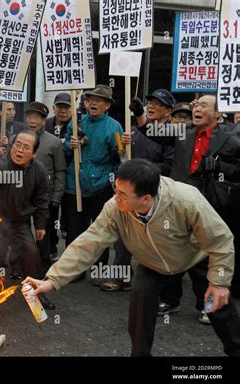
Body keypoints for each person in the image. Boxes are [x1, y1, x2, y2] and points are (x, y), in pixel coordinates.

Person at [24, 159, 240, 356]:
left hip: (193, 256)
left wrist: (219, 282)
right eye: (115, 190)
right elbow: (88, 243)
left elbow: (219, 240)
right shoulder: (115, 208)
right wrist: (52, 280)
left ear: (146, 198)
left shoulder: (187, 201)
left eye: (122, 194)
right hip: (151, 262)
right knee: (140, 309)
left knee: (219, 307)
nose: (115, 198)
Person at [131, 94, 240, 312]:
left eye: (204, 106)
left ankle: (205, 306)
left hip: (207, 204)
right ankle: (171, 300)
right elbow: (152, 131)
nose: (197, 108)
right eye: (196, 104)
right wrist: (139, 113)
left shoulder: (230, 139)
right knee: (174, 248)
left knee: (202, 256)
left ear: (218, 114)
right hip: (178, 201)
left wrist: (220, 168)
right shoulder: (183, 132)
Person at [100, 93, 176, 293]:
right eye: (150, 103)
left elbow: (169, 165)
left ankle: (157, 284)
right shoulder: (133, 131)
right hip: (130, 193)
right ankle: (121, 277)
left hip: (155, 193)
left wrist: (142, 173)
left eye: (158, 105)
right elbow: (122, 160)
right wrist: (122, 148)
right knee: (124, 234)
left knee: (157, 237)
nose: (151, 106)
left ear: (168, 111)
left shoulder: (172, 134)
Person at [63, 84, 123, 284]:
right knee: (74, 230)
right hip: (75, 184)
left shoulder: (114, 127)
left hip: (102, 184)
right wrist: (69, 145)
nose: (93, 103)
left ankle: (99, 270)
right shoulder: (76, 122)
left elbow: (119, 157)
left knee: (100, 230)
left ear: (107, 105)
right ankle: (74, 269)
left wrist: (115, 183)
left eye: (99, 101)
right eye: (91, 100)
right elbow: (64, 151)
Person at [0, 130, 54, 309]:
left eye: (26, 147)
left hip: (20, 222)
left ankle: (35, 294)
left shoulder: (39, 170)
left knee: (31, 253)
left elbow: (42, 200)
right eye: (17, 144)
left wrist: (40, 225)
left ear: (34, 153)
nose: (19, 150)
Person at [23, 102, 65, 269]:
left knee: (44, 233)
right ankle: (24, 265)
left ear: (43, 120)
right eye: (29, 117)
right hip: (22, 196)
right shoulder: (17, 139)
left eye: (37, 117)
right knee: (23, 233)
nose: (32, 121)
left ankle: (44, 266)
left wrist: (56, 197)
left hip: (44, 198)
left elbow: (60, 171)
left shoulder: (53, 142)